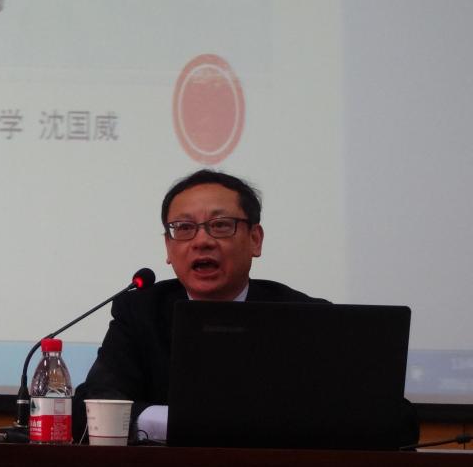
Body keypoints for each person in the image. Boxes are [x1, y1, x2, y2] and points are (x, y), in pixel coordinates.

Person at [72, 169, 418, 446]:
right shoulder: (140, 311)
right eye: (185, 228)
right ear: (168, 246)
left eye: (221, 225)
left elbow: (395, 420)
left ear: (255, 239)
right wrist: (186, 423)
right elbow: (94, 405)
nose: (202, 240)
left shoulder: (306, 317)